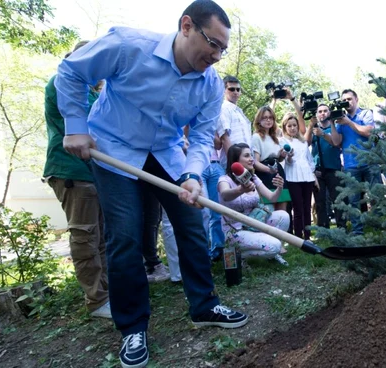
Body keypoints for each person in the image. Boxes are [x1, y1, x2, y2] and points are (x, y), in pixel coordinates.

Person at [55, 2, 248, 367]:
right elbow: (70, 71)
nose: (217, 56)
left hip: (166, 153)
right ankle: (132, 328)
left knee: (193, 224)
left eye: (223, 49)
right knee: (125, 236)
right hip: (113, 148)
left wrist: (191, 175)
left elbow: (204, 134)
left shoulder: (209, 85)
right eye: (213, 44)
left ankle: (204, 306)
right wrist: (75, 126)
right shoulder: (128, 45)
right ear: (187, 26)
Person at [43, 40, 110, 320]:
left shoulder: (92, 92)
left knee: (103, 237)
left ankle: (109, 291)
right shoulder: (62, 82)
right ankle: (96, 300)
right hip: (72, 172)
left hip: (95, 173)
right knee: (85, 236)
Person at [218, 143, 289, 265]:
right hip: (235, 231)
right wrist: (240, 190)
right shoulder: (224, 180)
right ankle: (237, 255)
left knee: (283, 216)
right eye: (246, 156)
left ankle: (271, 254)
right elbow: (225, 194)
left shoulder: (253, 177)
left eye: (251, 155)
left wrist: (279, 188)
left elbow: (271, 197)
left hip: (255, 224)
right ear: (235, 161)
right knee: (275, 246)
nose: (251, 158)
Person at [207, 75, 250, 261]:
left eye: (238, 89)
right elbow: (225, 139)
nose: (235, 92)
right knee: (221, 209)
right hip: (233, 166)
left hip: (244, 163)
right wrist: (236, 167)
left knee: (243, 204)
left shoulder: (239, 111)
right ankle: (221, 249)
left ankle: (242, 245)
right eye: (231, 89)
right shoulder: (223, 108)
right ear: (224, 90)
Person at [330, 89, 381, 235]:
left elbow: (369, 132)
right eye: (344, 100)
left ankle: (378, 228)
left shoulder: (365, 114)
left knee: (375, 196)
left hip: (369, 161)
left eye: (349, 99)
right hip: (351, 165)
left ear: (356, 99)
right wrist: (332, 123)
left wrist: (349, 122)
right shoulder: (341, 120)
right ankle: (358, 231)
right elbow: (336, 142)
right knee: (353, 200)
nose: (347, 102)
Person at [281, 112, 317, 240]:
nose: (292, 128)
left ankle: (307, 236)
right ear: (285, 127)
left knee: (307, 207)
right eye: (289, 126)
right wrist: (289, 157)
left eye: (294, 125)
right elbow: (286, 162)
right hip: (293, 177)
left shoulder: (303, 142)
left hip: (307, 177)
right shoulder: (282, 141)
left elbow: (309, 160)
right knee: (297, 208)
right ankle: (298, 237)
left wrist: (313, 176)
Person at [309, 104, 344, 228]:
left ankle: (342, 226)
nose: (322, 113)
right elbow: (306, 142)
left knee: (338, 199)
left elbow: (336, 143)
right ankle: (323, 227)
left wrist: (323, 134)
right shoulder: (313, 130)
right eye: (320, 111)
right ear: (317, 114)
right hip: (318, 170)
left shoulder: (335, 128)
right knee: (320, 201)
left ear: (329, 113)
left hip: (333, 168)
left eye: (325, 111)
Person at [250, 106, 291, 211]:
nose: (268, 120)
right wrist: (269, 170)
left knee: (283, 207)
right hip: (265, 175)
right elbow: (255, 162)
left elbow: (279, 160)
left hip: (278, 173)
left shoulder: (275, 138)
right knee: (269, 209)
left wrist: (282, 155)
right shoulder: (256, 137)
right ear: (259, 120)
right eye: (264, 118)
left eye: (270, 117)